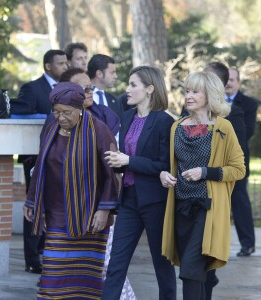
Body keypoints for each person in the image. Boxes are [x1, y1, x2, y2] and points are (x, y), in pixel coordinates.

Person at [23, 82, 119, 299]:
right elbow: (41, 166)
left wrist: (104, 210)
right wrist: (32, 201)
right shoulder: (51, 128)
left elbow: (112, 173)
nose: (60, 117)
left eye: (66, 112)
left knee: (86, 280)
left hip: (90, 214)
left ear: (80, 109)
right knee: (53, 273)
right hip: (57, 211)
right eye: (56, 112)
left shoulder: (99, 130)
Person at [161, 71, 246, 300]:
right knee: (193, 272)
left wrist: (205, 172)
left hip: (207, 209)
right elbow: (169, 165)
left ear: (210, 94)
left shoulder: (223, 128)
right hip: (181, 209)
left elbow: (238, 169)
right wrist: (164, 175)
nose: (188, 96)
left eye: (195, 91)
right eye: (187, 90)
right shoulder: (177, 127)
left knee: (190, 267)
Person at [101, 66, 177, 300]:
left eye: (133, 84)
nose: (127, 89)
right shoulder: (127, 117)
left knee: (162, 266)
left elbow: (163, 165)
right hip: (129, 200)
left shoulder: (164, 121)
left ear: (150, 89)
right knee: (115, 264)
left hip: (155, 202)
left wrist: (129, 160)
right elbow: (127, 158)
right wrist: (119, 161)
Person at [17, 49, 68, 274]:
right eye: (60, 64)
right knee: (35, 207)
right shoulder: (32, 88)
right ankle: (32, 258)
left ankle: (50, 253)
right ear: (48, 66)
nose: (65, 67)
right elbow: (22, 112)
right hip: (35, 157)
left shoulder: (67, 90)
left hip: (61, 158)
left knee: (55, 205)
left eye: (66, 63)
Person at [203, 62, 247, 300]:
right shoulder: (186, 112)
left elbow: (238, 160)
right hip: (189, 193)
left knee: (208, 254)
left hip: (215, 191)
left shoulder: (232, 115)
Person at [225, 67, 258, 257]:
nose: (228, 83)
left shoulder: (249, 104)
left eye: (232, 79)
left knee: (239, 201)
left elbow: (248, 131)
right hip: (214, 162)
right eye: (226, 79)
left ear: (239, 82)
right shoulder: (212, 101)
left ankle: (247, 243)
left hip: (237, 161)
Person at [59, 68, 120, 136]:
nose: (90, 92)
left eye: (91, 88)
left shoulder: (104, 113)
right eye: (85, 89)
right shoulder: (59, 119)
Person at [87, 54, 123, 119]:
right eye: (112, 72)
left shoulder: (114, 100)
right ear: (99, 74)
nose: (116, 76)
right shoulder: (81, 97)